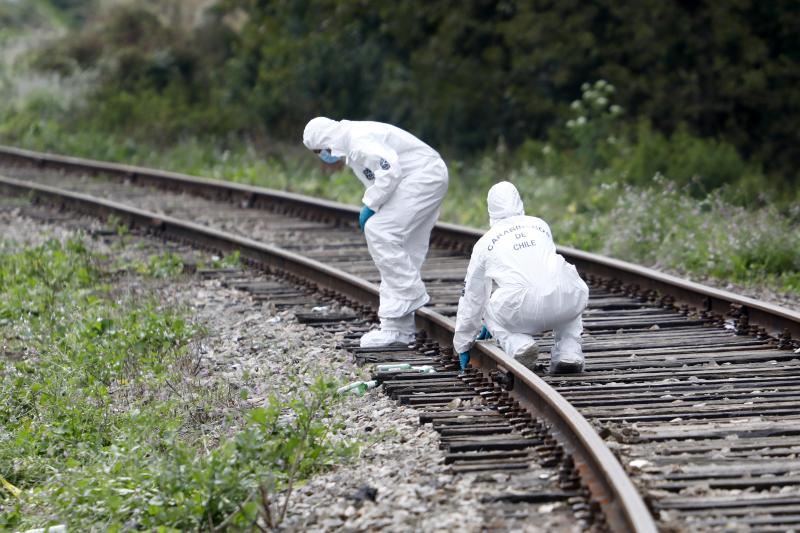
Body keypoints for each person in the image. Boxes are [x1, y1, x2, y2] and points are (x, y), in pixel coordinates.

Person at [303, 117, 449, 348]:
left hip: (421, 177)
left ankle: (410, 292)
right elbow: (382, 179)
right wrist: (375, 203)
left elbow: (389, 170)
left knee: (379, 230)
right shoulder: (351, 144)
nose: (323, 155)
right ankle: (398, 330)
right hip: (421, 177)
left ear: (324, 141)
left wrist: (370, 204)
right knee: (403, 248)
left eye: (319, 151)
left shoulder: (357, 140)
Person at [453, 181, 589, 374]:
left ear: (491, 209)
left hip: (522, 309)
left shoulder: (484, 244)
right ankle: (569, 352)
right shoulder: (540, 225)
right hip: (563, 303)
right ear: (519, 201)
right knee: (566, 288)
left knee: (486, 307)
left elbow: (472, 297)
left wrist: (463, 343)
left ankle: (519, 346)